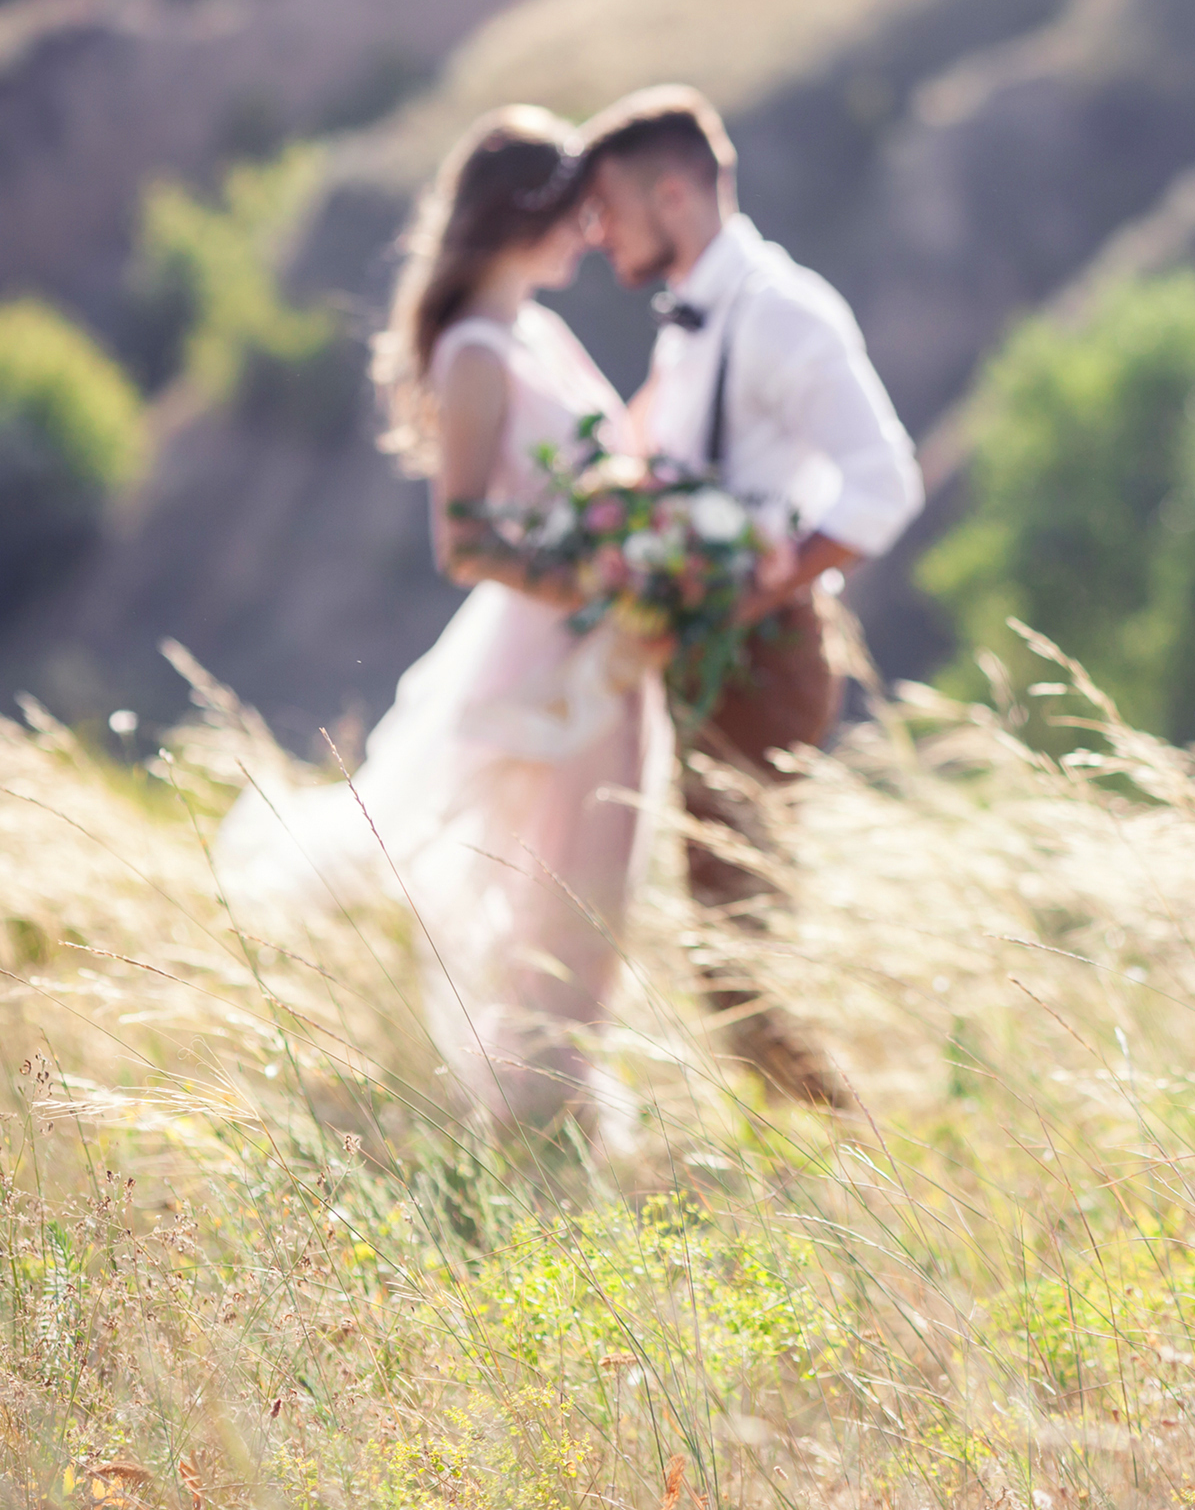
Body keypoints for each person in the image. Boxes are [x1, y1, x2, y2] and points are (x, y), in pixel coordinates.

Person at [217, 106, 672, 1139]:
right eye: (575, 215)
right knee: (549, 875)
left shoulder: (540, 331)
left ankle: (552, 1106)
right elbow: (463, 541)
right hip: (546, 649)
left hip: (611, 639)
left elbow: (616, 470)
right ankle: (532, 1111)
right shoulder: (475, 353)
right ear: (523, 216)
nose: (592, 235)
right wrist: (592, 584)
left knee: (604, 869)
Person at [576, 85, 923, 1110]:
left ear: (674, 195)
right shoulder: (691, 320)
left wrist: (769, 580)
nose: (596, 237)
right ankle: (820, 1152)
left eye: (609, 211)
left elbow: (884, 479)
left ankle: (858, 1158)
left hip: (763, 663)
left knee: (735, 961)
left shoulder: (782, 312)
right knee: (728, 947)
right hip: (698, 664)